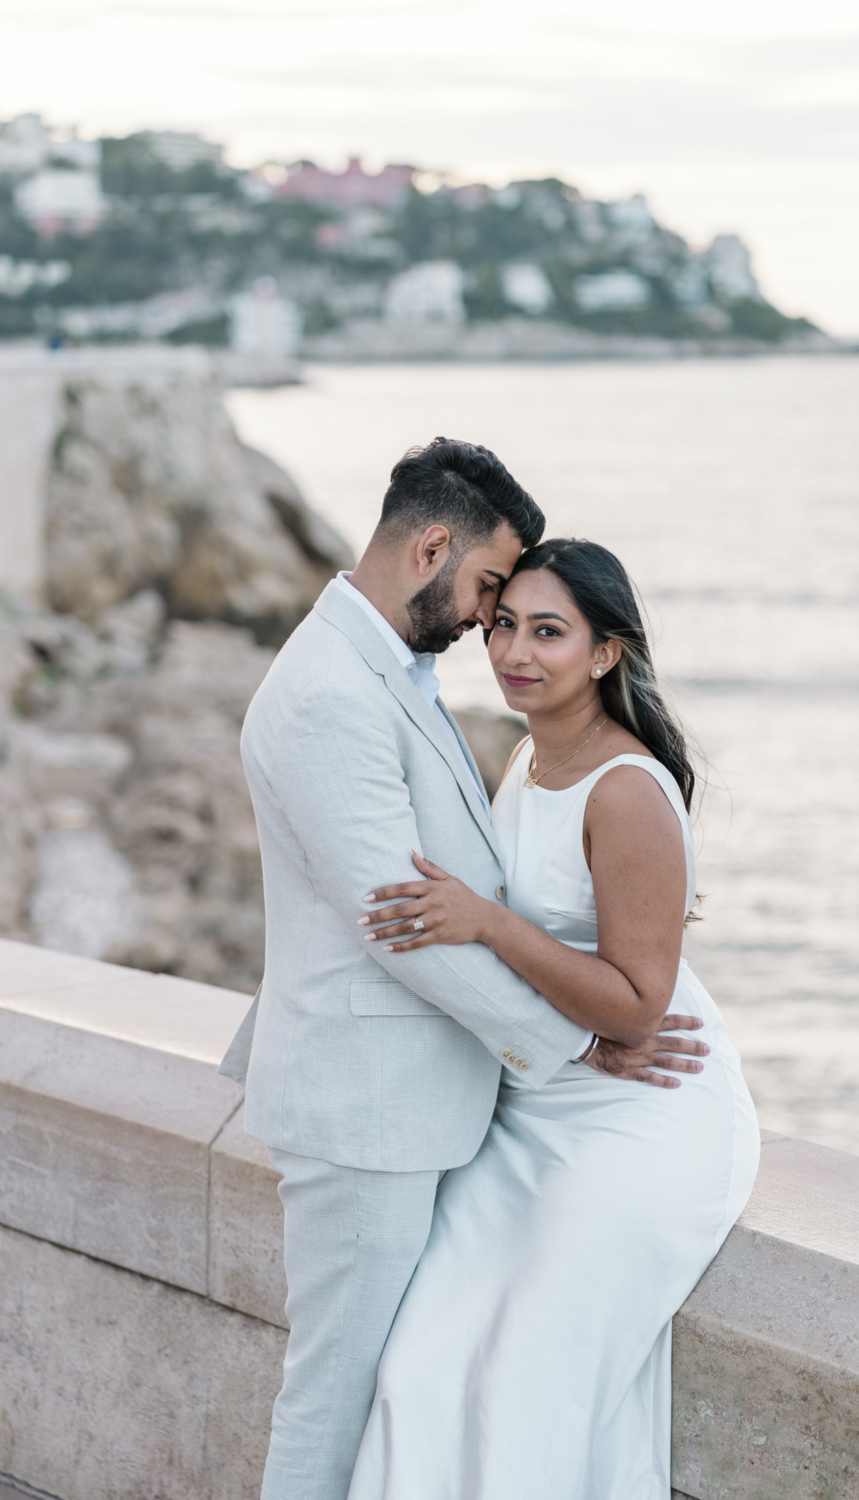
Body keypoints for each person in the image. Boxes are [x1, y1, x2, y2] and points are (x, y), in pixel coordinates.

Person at [218, 443, 711, 1500]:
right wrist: (583, 1039)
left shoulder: (383, 671)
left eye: (532, 620)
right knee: (336, 1395)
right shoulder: (327, 694)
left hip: (428, 1107)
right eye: (491, 594)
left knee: (396, 1388)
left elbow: (479, 897)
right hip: (366, 1108)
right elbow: (405, 924)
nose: (490, 630)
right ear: (430, 547)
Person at [346, 536, 761, 1500]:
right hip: (541, 1098)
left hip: (644, 1108)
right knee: (422, 1365)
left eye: (548, 632)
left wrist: (487, 925)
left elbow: (637, 1006)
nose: (513, 653)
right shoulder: (533, 757)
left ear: (606, 652)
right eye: (501, 627)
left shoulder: (626, 793)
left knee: (527, 1381)